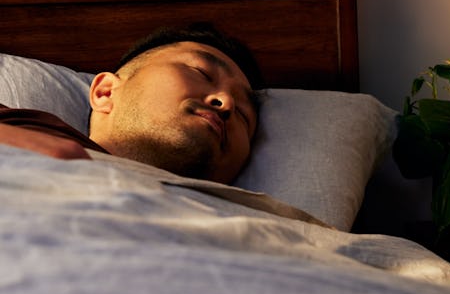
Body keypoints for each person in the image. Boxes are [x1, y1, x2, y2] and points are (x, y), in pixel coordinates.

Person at [0, 23, 263, 184]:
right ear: (105, 92)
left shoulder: (270, 226)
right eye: (202, 73)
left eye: (243, 115)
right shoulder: (23, 129)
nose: (227, 103)